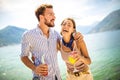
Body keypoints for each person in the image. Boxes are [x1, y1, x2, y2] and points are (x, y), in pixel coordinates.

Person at [20, 4, 61, 80]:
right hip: (41, 78)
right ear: (41, 17)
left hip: (57, 77)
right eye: (50, 14)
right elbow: (23, 56)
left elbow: (65, 48)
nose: (54, 17)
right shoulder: (28, 35)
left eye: (54, 14)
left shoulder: (56, 34)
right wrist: (34, 68)